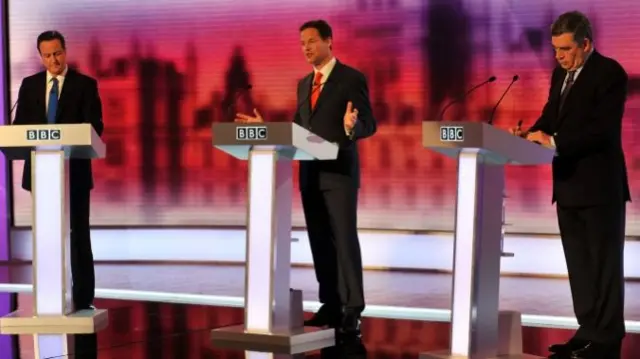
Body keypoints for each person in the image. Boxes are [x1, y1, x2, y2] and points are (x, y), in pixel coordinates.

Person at [235, 19, 377, 337]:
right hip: (310, 172)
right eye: (302, 43)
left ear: (329, 41)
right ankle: (330, 302)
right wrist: (267, 127)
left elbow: (370, 122)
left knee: (343, 238)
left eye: (312, 41)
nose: (306, 47)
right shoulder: (303, 84)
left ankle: (353, 308)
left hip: (339, 171)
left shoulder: (351, 78)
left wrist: (352, 126)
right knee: (318, 240)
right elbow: (299, 130)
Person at [512, 11, 628, 359]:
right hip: (567, 186)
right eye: (555, 49)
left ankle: (607, 337)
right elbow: (551, 115)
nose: (559, 56)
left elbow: (601, 129)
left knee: (603, 266)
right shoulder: (558, 75)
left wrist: (554, 141)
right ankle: (587, 330)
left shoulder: (609, 73)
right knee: (578, 266)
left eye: (565, 49)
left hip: (599, 188)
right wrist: (528, 135)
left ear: (586, 44)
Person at [13, 30, 104, 311]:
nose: (53, 60)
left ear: (66, 51)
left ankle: (83, 298)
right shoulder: (29, 86)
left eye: (58, 53)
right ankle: (47, 297)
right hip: (41, 175)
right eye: (48, 55)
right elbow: (19, 129)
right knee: (46, 235)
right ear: (40, 57)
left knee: (79, 234)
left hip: (73, 174)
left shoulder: (85, 85)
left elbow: (95, 127)